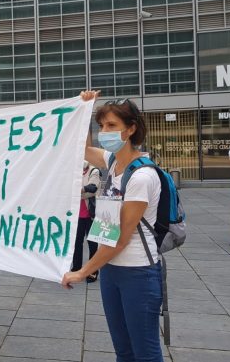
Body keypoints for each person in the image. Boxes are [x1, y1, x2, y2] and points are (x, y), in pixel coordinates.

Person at [62, 92, 164, 362]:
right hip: (111, 271)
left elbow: (120, 239)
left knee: (146, 353)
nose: (104, 132)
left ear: (130, 129)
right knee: (123, 350)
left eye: (111, 126)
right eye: (101, 126)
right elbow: (85, 150)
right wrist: (85, 110)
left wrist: (83, 271)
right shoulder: (113, 162)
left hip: (138, 273)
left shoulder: (142, 176)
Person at [70, 160, 101, 282]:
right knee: (77, 242)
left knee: (92, 243)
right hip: (77, 214)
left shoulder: (94, 171)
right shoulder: (75, 170)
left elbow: (93, 188)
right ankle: (76, 268)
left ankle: (92, 271)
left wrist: (78, 190)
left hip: (91, 214)